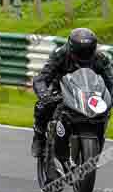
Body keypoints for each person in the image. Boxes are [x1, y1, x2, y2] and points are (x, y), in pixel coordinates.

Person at [31, 28, 113, 156]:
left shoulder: (100, 58)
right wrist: (44, 94)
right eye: (81, 52)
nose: (84, 55)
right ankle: (39, 137)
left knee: (105, 111)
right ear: (72, 48)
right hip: (62, 91)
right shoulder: (61, 54)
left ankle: (98, 139)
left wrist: (109, 99)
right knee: (43, 106)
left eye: (87, 51)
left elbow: (111, 81)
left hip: (90, 94)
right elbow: (42, 77)